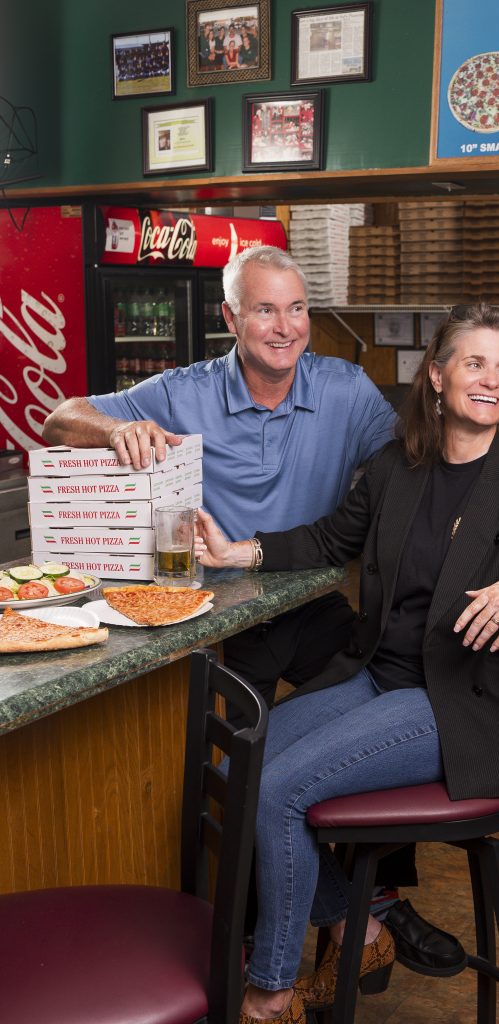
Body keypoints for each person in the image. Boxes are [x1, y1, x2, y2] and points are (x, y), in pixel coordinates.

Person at [41, 245, 460, 972]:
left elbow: (414, 453)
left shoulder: (345, 387)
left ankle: (376, 895)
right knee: (246, 768)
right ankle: (328, 918)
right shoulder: (183, 389)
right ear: (232, 318)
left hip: (309, 600)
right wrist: (115, 431)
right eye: (265, 309)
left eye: (296, 308)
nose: (285, 326)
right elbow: (57, 417)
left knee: (381, 706)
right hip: (219, 616)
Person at [193, 302, 499, 1024]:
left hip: (459, 709)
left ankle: (270, 992)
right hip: (377, 678)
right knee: (239, 772)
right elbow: (327, 540)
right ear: (436, 377)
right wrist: (240, 551)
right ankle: (362, 927)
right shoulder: (397, 469)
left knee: (277, 787)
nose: (492, 381)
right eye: (474, 363)